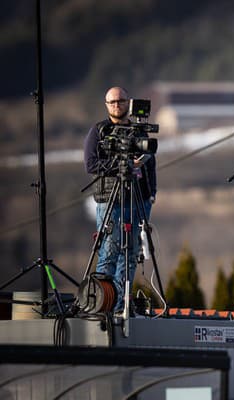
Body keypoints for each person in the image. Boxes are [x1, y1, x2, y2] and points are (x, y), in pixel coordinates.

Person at [84, 86, 157, 315]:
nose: (117, 105)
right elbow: (91, 164)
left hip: (138, 201)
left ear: (129, 103)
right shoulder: (99, 131)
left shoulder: (139, 131)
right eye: (112, 102)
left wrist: (151, 193)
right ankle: (102, 304)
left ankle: (120, 305)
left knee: (131, 255)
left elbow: (150, 164)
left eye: (121, 101)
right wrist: (120, 166)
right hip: (111, 200)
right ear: (106, 105)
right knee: (109, 252)